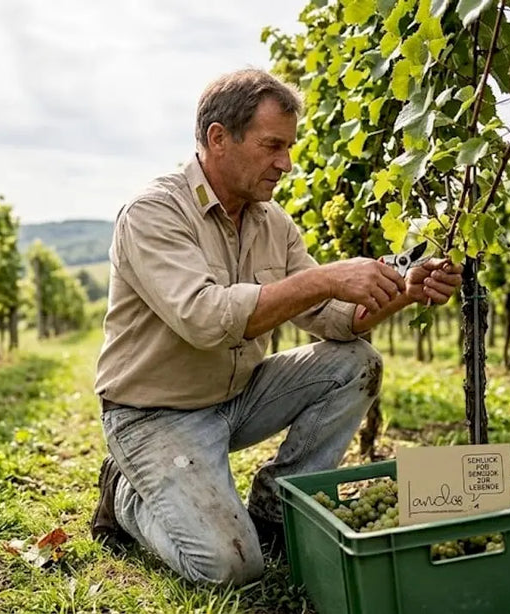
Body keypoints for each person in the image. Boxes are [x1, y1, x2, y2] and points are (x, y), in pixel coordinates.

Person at [89, 68, 462, 586]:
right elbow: (205, 318)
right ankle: (126, 494)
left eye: (288, 148)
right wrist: (327, 277)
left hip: (236, 398)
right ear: (219, 138)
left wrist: (403, 289)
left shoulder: (272, 222)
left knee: (355, 363)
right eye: (272, 146)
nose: (285, 164)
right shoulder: (154, 213)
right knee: (229, 568)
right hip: (154, 416)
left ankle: (276, 510)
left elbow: (332, 320)